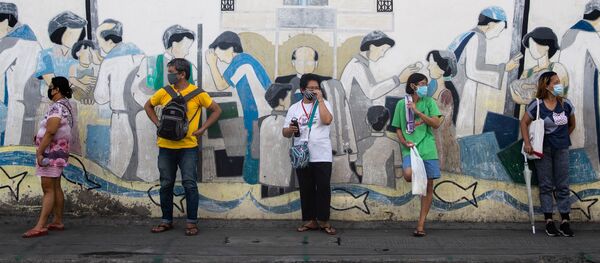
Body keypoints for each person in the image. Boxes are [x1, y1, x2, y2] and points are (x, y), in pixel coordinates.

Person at [144, 58, 222, 236]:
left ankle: (191, 222)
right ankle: (166, 220)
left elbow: (217, 110)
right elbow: (148, 106)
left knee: (189, 184)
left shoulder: (197, 93)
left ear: (182, 74)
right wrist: (158, 124)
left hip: (188, 147)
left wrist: (203, 129)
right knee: (166, 184)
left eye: (172, 72)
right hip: (165, 146)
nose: (169, 75)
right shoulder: (164, 92)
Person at [205, 31, 271, 184]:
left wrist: (212, 64)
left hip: (258, 115)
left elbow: (221, 85)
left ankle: (252, 186)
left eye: (219, 53)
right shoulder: (246, 61)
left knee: (254, 154)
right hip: (259, 114)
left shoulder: (241, 61)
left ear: (231, 48)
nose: (219, 58)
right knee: (255, 149)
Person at [448, 6, 521, 137]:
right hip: (461, 90)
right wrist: (504, 68)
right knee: (466, 131)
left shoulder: (470, 35)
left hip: (459, 87)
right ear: (491, 24)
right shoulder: (477, 37)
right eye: (501, 28)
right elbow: (473, 70)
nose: (500, 33)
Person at [521, 71, 576, 237]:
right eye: (555, 82)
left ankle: (565, 220)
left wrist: (562, 137)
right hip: (543, 150)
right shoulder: (537, 105)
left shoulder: (566, 104)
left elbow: (572, 125)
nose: (559, 85)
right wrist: (528, 143)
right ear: (546, 85)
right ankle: (549, 221)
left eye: (559, 82)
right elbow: (524, 123)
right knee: (546, 185)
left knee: (562, 185)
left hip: (562, 149)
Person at [282, 73, 336, 235]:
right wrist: (290, 130)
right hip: (302, 155)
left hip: (322, 154)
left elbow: (327, 120)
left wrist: (320, 100)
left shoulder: (324, 103)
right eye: (310, 88)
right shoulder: (294, 108)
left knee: (323, 188)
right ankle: (309, 221)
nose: (314, 91)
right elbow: (285, 133)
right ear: (302, 89)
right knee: (306, 188)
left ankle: (324, 221)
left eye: (317, 88)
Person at [392, 73, 442, 237]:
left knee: (428, 186)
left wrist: (418, 112)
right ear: (413, 86)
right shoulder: (401, 104)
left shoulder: (429, 102)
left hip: (428, 148)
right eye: (421, 84)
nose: (425, 87)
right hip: (410, 149)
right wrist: (403, 142)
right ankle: (418, 180)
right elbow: (397, 128)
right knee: (408, 174)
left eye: (426, 84)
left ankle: (421, 224)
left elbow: (436, 124)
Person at [23, 77, 74, 238]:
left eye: (51, 87)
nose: (49, 90)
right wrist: (39, 137)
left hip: (50, 153)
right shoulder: (66, 105)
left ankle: (40, 226)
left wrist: (40, 152)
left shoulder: (57, 108)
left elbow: (51, 130)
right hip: (59, 152)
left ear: (57, 89)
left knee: (48, 189)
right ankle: (57, 221)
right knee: (56, 186)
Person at [559, 0, 600, 150]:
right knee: (580, 129)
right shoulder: (589, 34)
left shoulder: (568, 33)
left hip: (564, 91)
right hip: (581, 92)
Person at [0, 2, 42, 146]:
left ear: (5, 20)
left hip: (15, 104)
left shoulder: (10, 41)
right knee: (26, 145)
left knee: (12, 147)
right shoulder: (32, 39)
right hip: (32, 102)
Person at [510, 27, 568, 105]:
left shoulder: (557, 69)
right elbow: (519, 95)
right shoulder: (527, 73)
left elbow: (558, 95)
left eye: (534, 45)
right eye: (530, 46)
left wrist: (526, 101)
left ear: (547, 46)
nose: (531, 49)